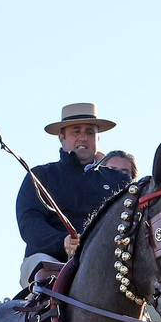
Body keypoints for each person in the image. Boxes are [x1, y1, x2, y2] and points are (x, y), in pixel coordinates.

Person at [15, 103, 130, 287]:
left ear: (97, 138)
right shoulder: (40, 176)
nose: (83, 137)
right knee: (45, 273)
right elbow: (29, 223)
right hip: (49, 258)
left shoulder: (119, 181)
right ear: (61, 137)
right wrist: (62, 242)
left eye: (90, 132)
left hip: (106, 262)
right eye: (76, 131)